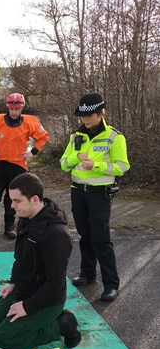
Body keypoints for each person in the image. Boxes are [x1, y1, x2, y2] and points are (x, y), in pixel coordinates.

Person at [0, 172, 80, 349]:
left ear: (34, 199)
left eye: (17, 201)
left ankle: (61, 324)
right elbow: (21, 259)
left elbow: (55, 283)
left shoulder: (56, 235)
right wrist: (13, 283)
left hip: (46, 300)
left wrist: (27, 307)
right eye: (11, 200)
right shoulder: (26, 220)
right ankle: (32, 318)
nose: (12, 206)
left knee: (1, 341)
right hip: (23, 289)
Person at [60, 92, 130, 302]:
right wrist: (74, 157)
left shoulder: (114, 137)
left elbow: (122, 166)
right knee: (85, 235)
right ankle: (88, 273)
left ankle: (111, 284)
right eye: (83, 115)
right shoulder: (75, 137)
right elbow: (63, 164)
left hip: (99, 194)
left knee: (101, 239)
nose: (86, 119)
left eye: (90, 115)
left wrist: (97, 166)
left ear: (102, 113)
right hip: (77, 192)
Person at [0, 93, 49, 239]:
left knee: (13, 198)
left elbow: (43, 136)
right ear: (7, 107)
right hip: (0, 164)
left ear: (22, 108)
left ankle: (10, 227)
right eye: (11, 109)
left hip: (18, 166)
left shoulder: (30, 122)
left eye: (17, 109)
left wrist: (33, 152)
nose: (14, 112)